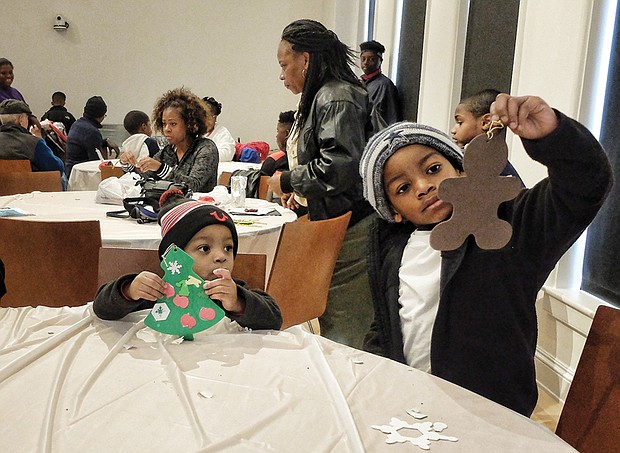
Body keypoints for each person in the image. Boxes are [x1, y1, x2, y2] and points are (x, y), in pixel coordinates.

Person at [359, 93, 613, 416]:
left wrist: (553, 137)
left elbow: (587, 184)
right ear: (393, 211)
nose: (423, 186)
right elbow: (386, 324)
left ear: (462, 169)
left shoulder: (509, 228)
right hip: (412, 408)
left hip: (489, 416)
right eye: (403, 188)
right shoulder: (394, 250)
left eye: (433, 169)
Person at [269, 19, 380, 349]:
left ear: (305, 59)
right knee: (336, 314)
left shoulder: (335, 97)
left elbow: (339, 166)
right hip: (338, 219)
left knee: (346, 321)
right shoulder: (326, 94)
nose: (281, 74)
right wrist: (302, 194)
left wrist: (288, 180)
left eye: (283, 64)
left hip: (353, 225)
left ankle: (348, 394)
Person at [93, 189, 282, 331]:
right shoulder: (159, 291)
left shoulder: (230, 292)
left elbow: (274, 319)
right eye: (204, 248)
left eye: (228, 248)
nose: (221, 257)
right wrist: (129, 290)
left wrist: (238, 302)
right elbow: (102, 308)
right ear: (176, 255)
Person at [121, 87, 219, 193]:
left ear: (191, 124)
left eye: (173, 124)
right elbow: (143, 178)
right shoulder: (168, 151)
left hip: (199, 207)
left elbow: (193, 185)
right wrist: (129, 165)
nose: (166, 129)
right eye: (164, 124)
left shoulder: (205, 148)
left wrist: (160, 169)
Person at [451, 88, 524, 185]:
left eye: (460, 122)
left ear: (486, 122)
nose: (453, 130)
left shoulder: (481, 159)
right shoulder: (498, 160)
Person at [0, 99, 66, 186]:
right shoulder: (34, 143)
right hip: (31, 192)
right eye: (27, 118)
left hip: (3, 192)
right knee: (63, 177)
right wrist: (40, 140)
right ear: (20, 119)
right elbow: (57, 167)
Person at [65, 96, 119, 177]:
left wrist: (104, 141)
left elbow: (84, 144)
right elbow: (95, 164)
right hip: (83, 176)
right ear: (101, 115)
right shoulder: (92, 132)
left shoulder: (76, 124)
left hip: (70, 172)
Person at [359, 40, 402, 125]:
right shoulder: (359, 83)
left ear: (380, 61)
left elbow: (392, 119)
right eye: (363, 59)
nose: (366, 63)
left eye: (371, 59)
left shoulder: (385, 85)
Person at [260, 110, 295, 176]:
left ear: (287, 134)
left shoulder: (273, 161)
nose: (277, 136)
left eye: (278, 131)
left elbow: (262, 185)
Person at [202, 96, 236, 162]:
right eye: (204, 116)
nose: (206, 120)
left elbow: (227, 154)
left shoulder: (222, 132)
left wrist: (203, 156)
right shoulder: (192, 131)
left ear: (215, 118)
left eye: (210, 116)